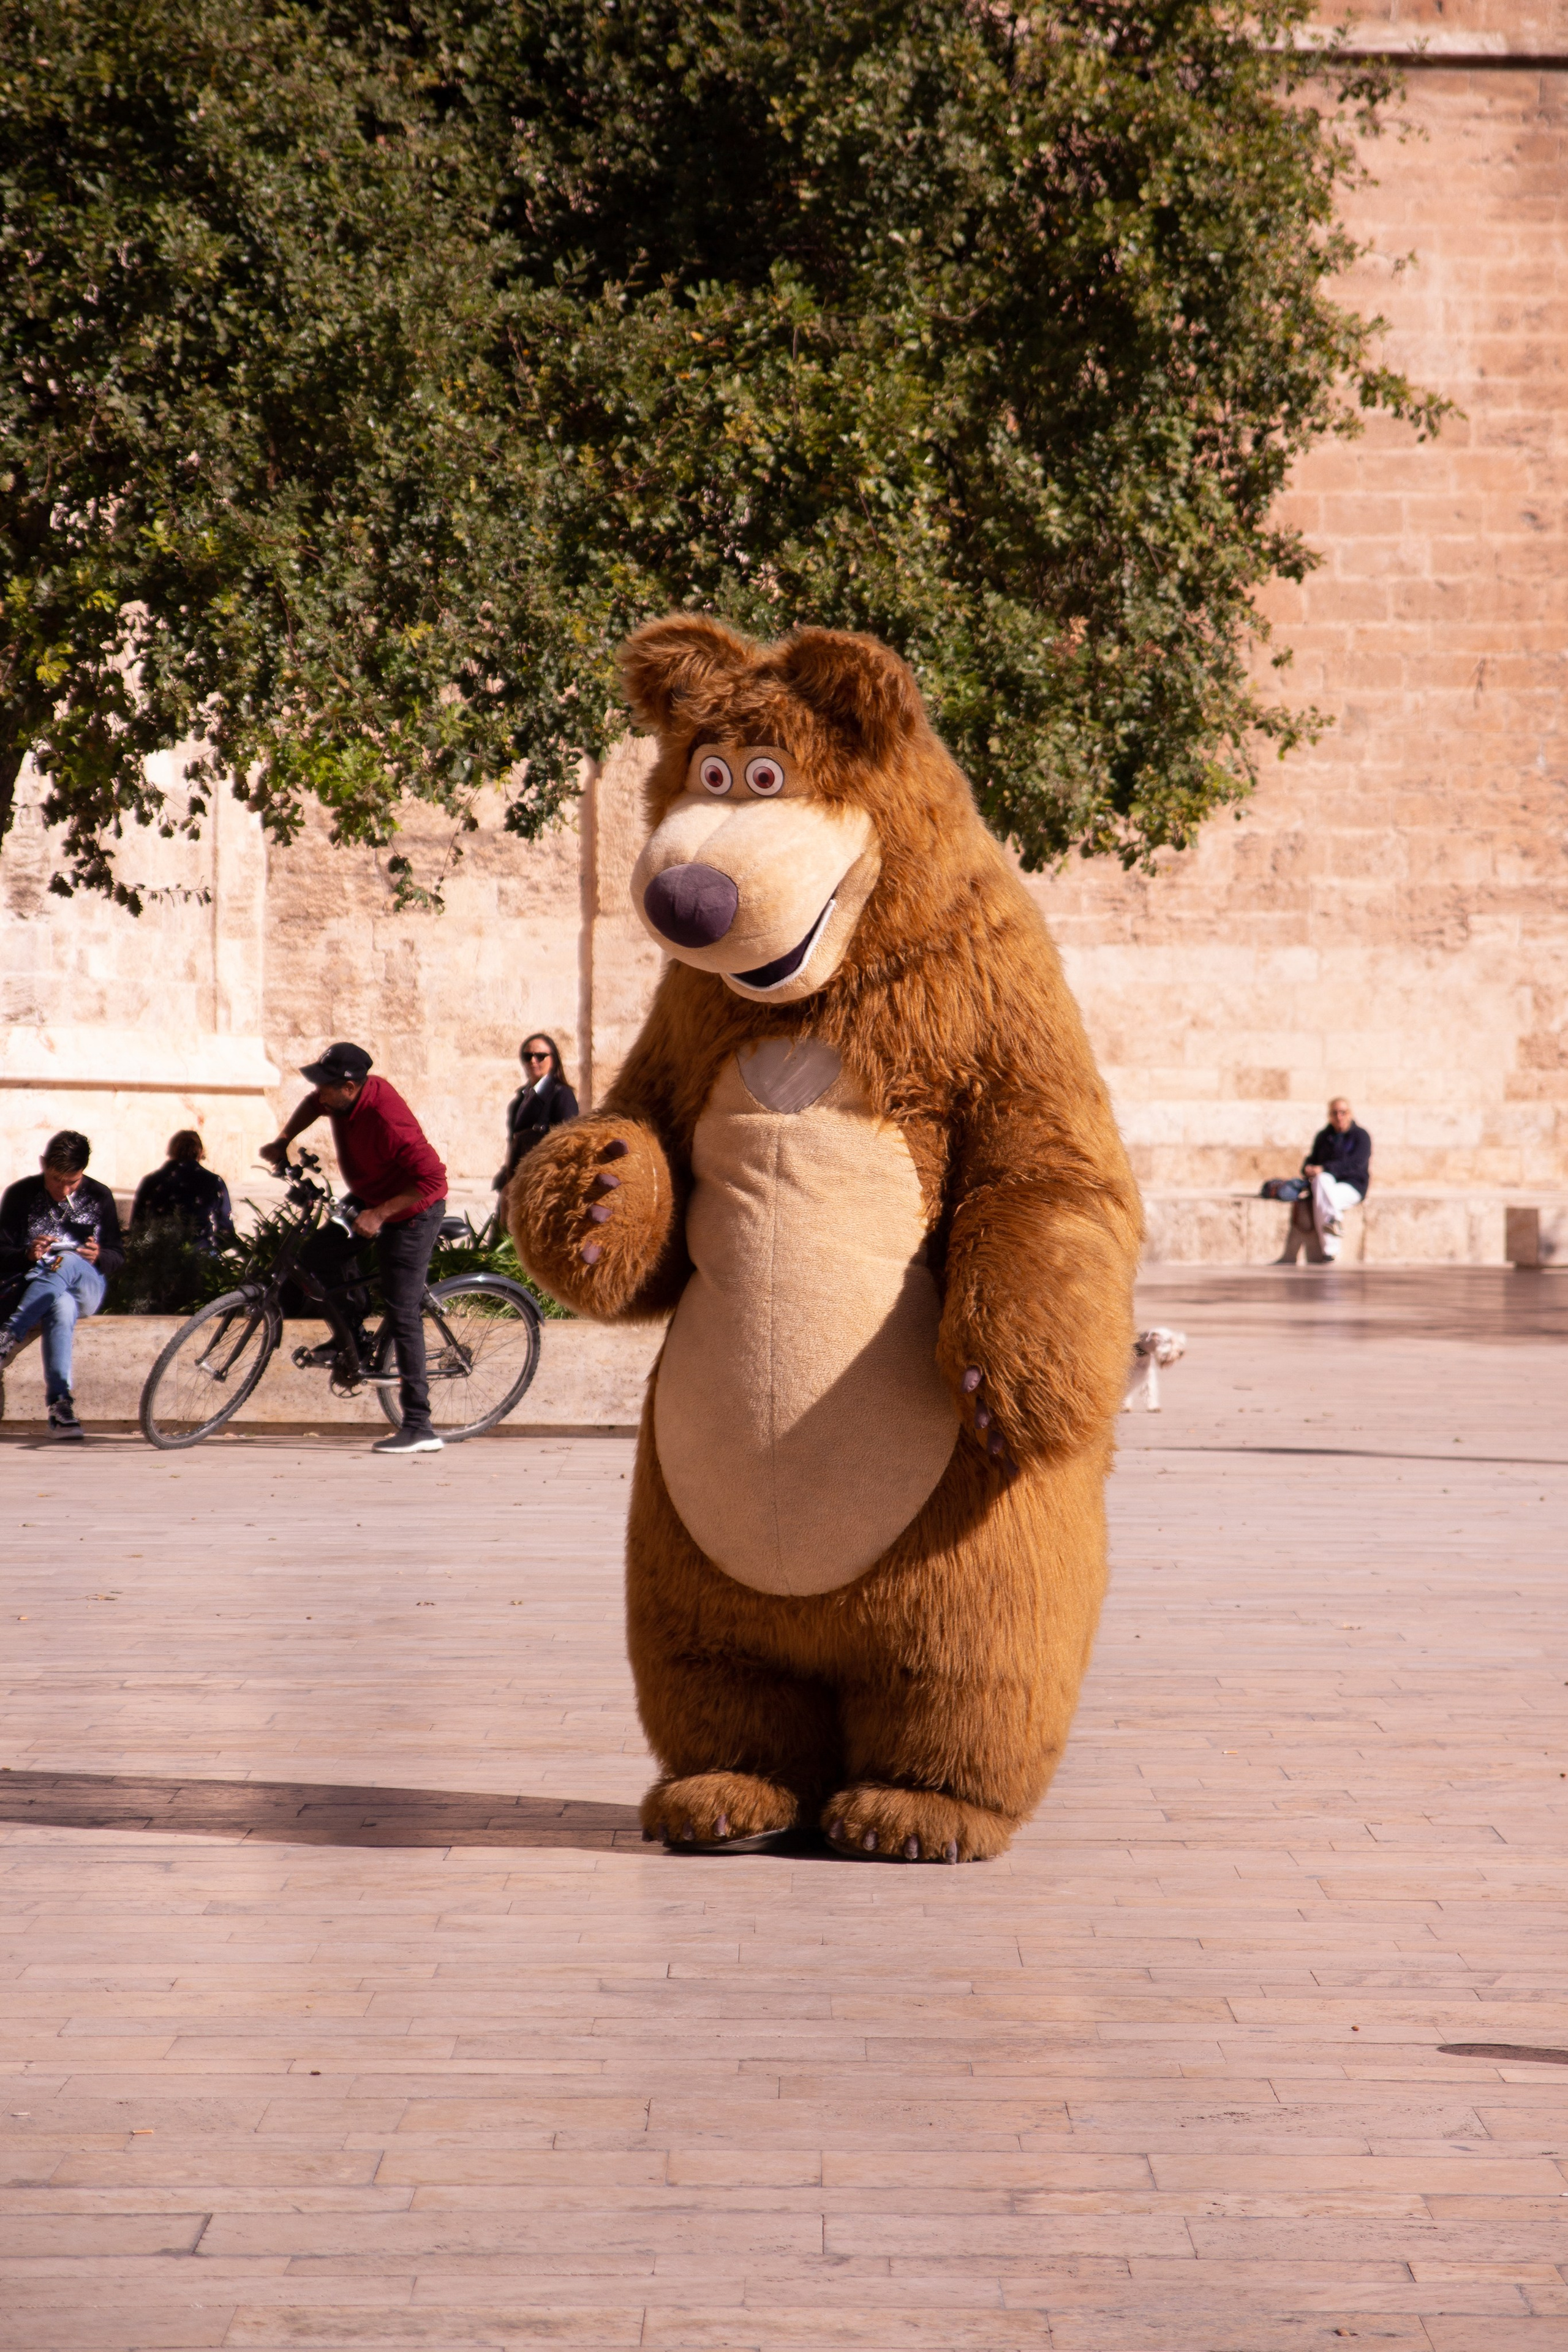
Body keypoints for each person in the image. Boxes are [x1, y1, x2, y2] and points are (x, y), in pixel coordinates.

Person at [260, 1042, 448, 1455]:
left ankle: (420, 1427)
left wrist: (380, 1215)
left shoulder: (388, 1118)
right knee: (316, 1260)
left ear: (348, 1087)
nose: (318, 1093)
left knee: (402, 1310)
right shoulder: (340, 1100)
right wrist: (284, 1140)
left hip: (412, 1211)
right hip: (369, 1198)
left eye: (325, 1086)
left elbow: (433, 1180)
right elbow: (314, 1105)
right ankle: (354, 1338)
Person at [0, 1129, 125, 1439]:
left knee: (68, 1262)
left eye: (73, 1181)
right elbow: (2, 1251)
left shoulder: (99, 1196)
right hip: (41, 1288)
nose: (64, 1188)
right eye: (57, 1179)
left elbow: (118, 1254)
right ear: (44, 1165)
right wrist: (28, 1254)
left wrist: (100, 1256)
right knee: (60, 1305)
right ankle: (61, 1406)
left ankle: (8, 1334)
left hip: (87, 1285)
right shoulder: (21, 1195)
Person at [494, 1035, 579, 1194]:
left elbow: (567, 1144)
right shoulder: (521, 1098)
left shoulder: (562, 1095)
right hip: (518, 1179)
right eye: (528, 1056)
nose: (533, 1061)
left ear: (553, 1060)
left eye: (540, 1056)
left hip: (544, 1183)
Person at [130, 1130, 235, 1252]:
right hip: (201, 1259)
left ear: (171, 1151)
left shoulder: (151, 1182)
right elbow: (226, 1232)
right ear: (201, 1153)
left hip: (158, 1260)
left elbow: (137, 1227)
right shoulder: (214, 1182)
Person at [1302, 1096, 1371, 1262]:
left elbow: (1356, 1164)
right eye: (1335, 1113)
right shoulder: (1324, 1137)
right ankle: (1335, 1222)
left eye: (1343, 1112)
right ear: (1330, 1116)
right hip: (1328, 1185)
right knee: (1321, 1181)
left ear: (1350, 1114)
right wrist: (1309, 1168)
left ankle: (1330, 1249)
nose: (1339, 1116)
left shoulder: (1361, 1137)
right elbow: (1313, 1159)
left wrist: (1325, 1168)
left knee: (1323, 1196)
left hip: (1352, 1186)